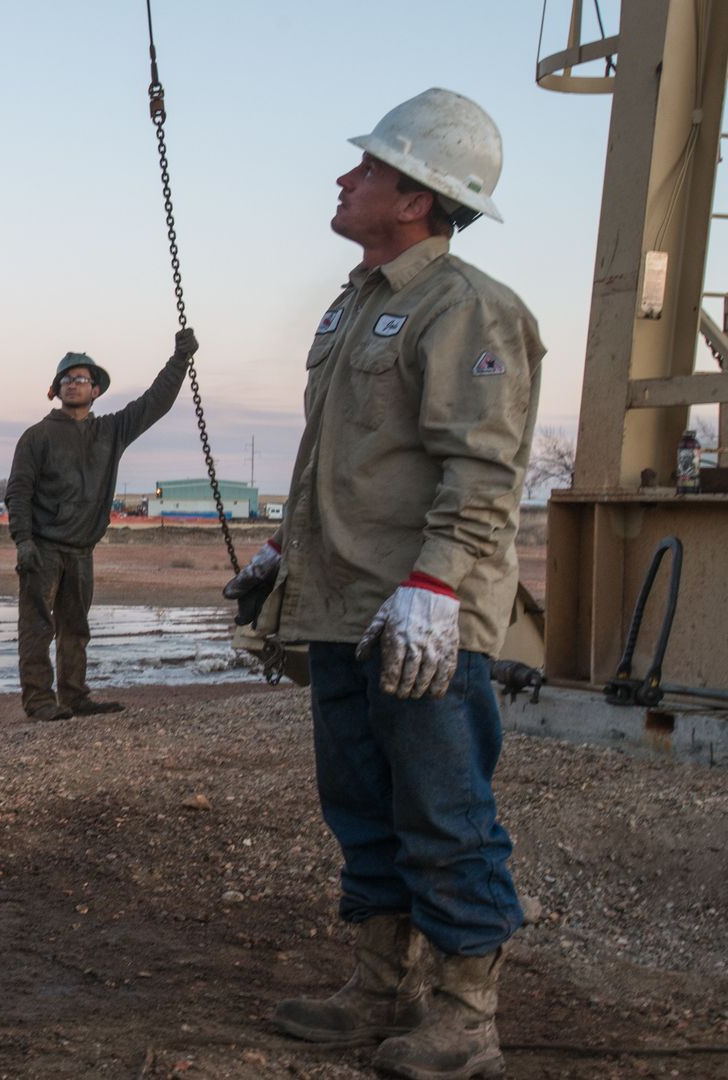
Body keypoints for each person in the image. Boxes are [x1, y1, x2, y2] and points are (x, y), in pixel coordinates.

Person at [225, 89, 542, 1080]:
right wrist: (287, 550)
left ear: (416, 198)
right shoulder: (355, 301)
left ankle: (462, 1020)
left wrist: (436, 586)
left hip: (418, 613)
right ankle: (382, 990)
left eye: (365, 169)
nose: (344, 178)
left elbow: (485, 467)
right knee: (360, 803)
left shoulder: (471, 308)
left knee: (444, 811)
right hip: (342, 601)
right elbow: (342, 454)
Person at [5, 330, 197, 722]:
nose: (73, 384)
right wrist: (22, 540)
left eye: (81, 379)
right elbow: (18, 493)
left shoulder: (110, 432)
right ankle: (39, 700)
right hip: (42, 548)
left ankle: (74, 697)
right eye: (67, 379)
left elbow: (153, 403)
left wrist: (179, 360)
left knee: (75, 628)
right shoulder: (37, 437)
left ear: (95, 390)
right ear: (55, 389)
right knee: (38, 628)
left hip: (82, 550)